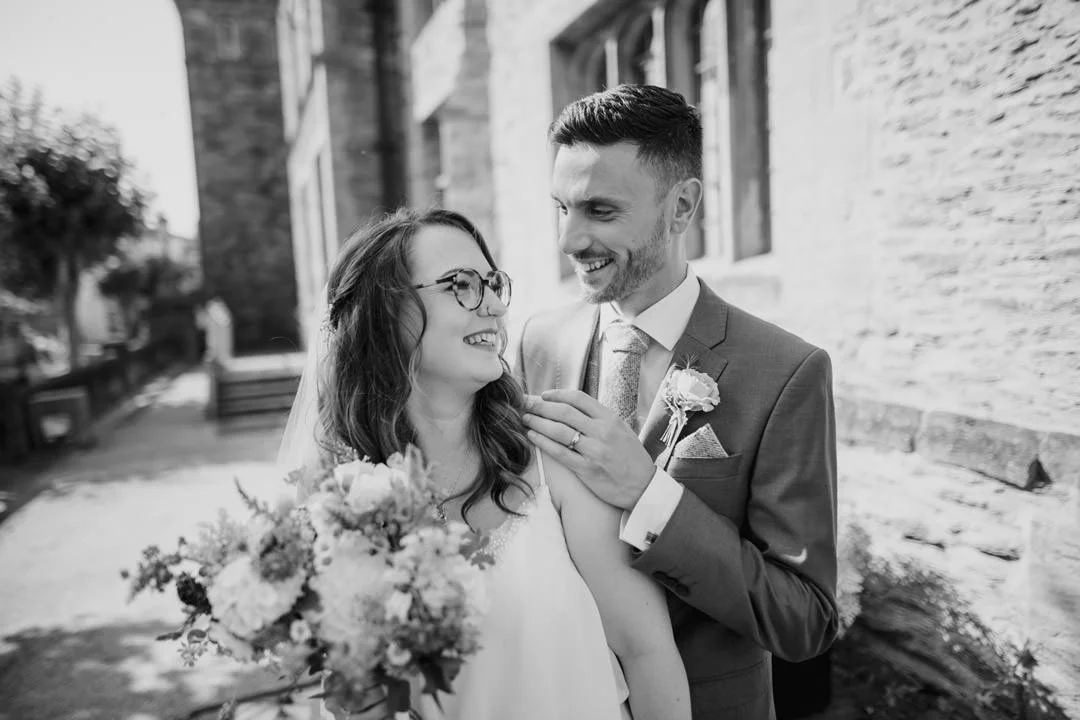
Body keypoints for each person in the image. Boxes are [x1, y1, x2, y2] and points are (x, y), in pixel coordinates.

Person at [278, 208, 690, 720]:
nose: (494, 306)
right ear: (387, 313)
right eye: (462, 285)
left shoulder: (554, 457)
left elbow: (647, 653)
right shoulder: (337, 510)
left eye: (493, 284)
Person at [517, 84, 840, 719]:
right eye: (562, 207)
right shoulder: (537, 342)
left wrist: (650, 496)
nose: (569, 240)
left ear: (682, 206)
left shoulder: (786, 371)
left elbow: (806, 619)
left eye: (601, 212)